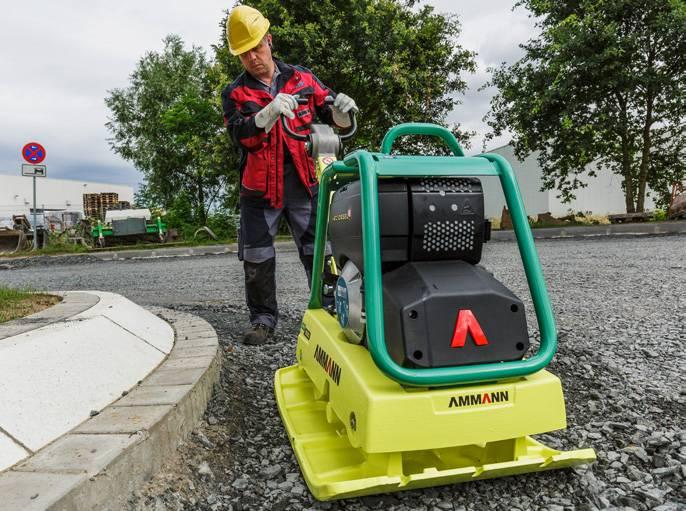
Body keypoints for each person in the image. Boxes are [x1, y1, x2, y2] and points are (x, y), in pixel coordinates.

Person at [221, 6, 357, 346]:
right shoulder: (235, 94)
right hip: (259, 190)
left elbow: (334, 118)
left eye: (256, 47)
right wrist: (267, 113)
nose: (252, 57)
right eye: (244, 53)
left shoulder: (303, 80)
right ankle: (263, 320)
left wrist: (342, 111)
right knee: (257, 257)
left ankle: (329, 312)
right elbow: (241, 137)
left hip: (304, 184)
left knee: (318, 252)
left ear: (269, 40)